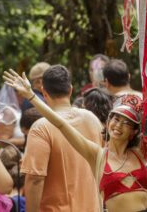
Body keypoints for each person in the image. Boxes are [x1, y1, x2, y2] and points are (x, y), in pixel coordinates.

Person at [3, 69, 147, 212]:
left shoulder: (139, 153)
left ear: (134, 130)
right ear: (108, 121)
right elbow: (61, 124)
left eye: (126, 122)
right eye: (115, 118)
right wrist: (31, 96)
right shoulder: (97, 154)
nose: (118, 125)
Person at [12, 65, 103, 211]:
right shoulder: (92, 119)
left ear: (44, 92)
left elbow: (35, 179)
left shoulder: (40, 128)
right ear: (71, 89)